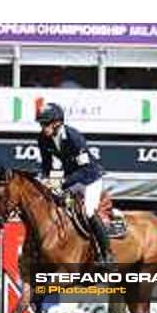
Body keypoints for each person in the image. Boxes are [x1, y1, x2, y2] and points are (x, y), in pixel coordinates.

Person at [36, 102, 117, 270]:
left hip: (90, 178)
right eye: (41, 124)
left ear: (57, 123)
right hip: (71, 179)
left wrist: (61, 182)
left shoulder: (74, 137)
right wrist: (45, 180)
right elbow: (46, 165)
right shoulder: (43, 138)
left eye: (45, 124)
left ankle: (107, 254)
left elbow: (85, 169)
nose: (42, 127)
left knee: (88, 212)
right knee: (55, 203)